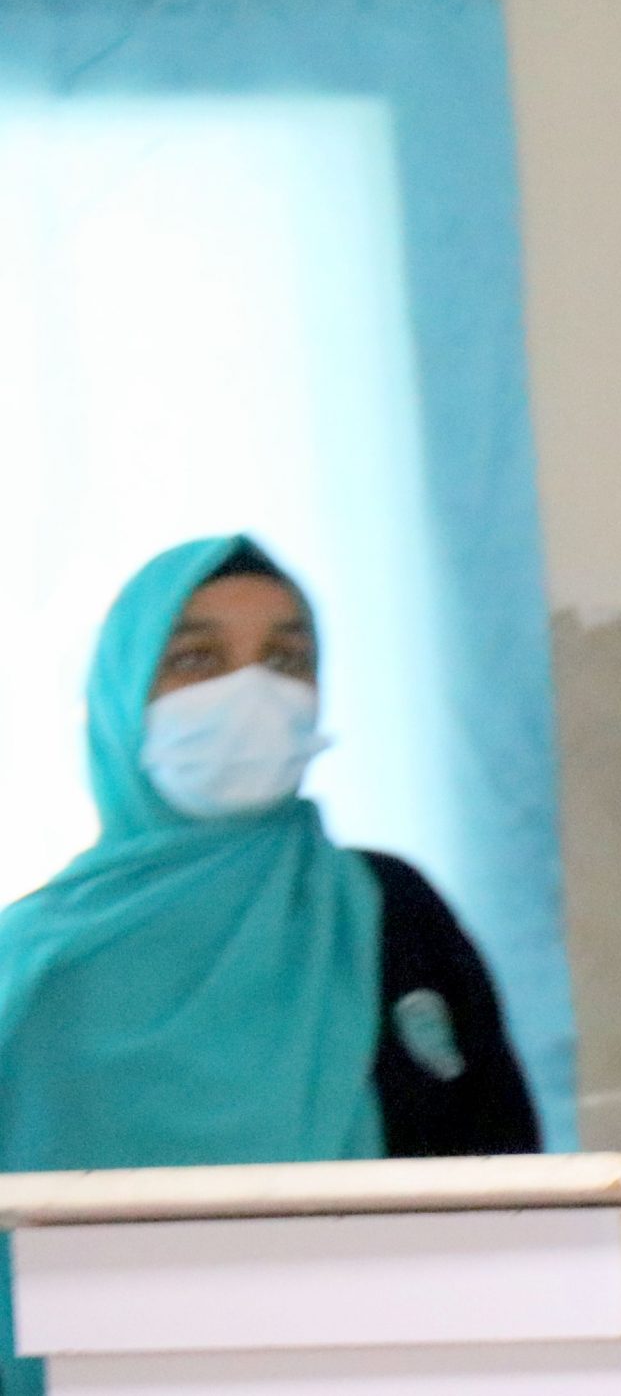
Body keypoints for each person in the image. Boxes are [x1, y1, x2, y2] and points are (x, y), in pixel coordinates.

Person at [0, 538, 538, 1392]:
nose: (251, 691)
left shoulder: (389, 913)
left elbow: (517, 1194)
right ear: (120, 697)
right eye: (196, 659)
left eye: (287, 660)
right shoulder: (30, 969)